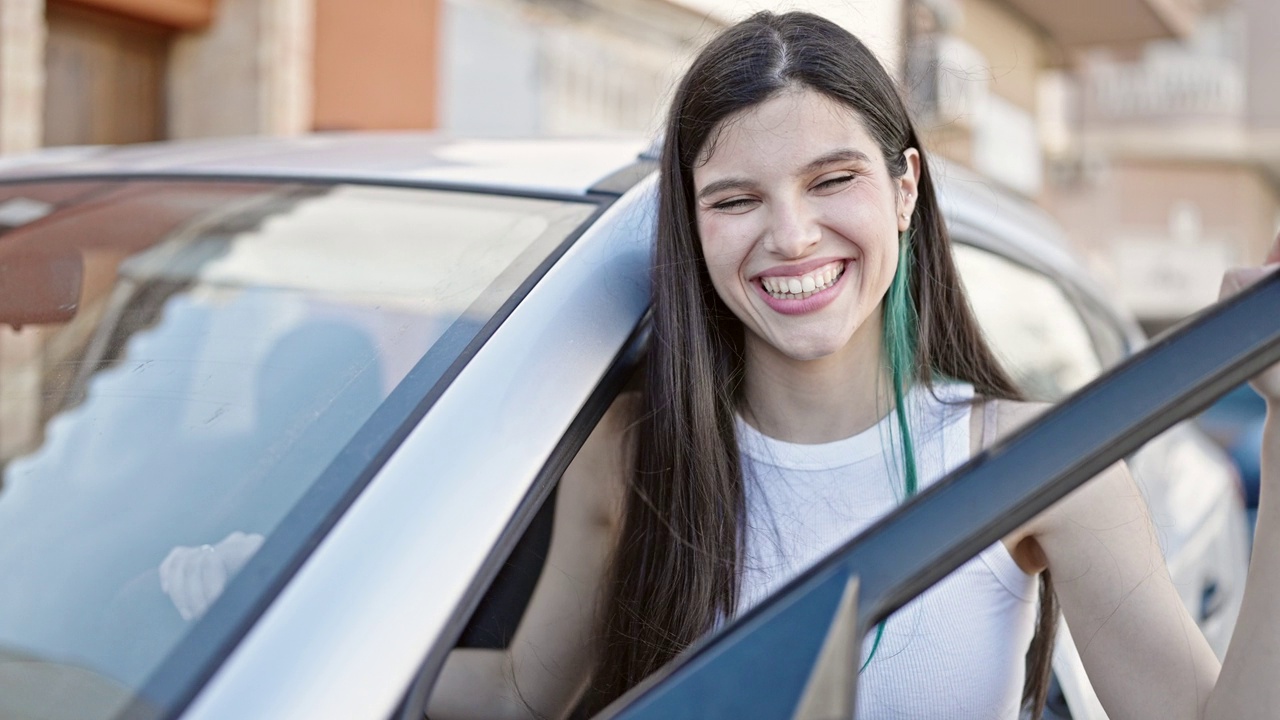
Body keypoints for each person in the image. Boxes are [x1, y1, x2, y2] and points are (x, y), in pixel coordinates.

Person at [158, 10, 1277, 719]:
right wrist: (270, 603)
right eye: (735, 199)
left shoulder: (1041, 462)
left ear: (902, 188)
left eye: (831, 181)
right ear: (690, 228)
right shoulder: (630, 450)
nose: (789, 237)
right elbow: (518, 694)